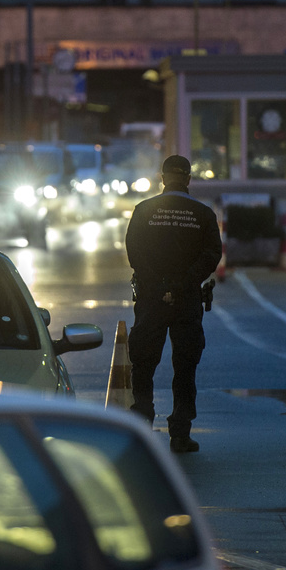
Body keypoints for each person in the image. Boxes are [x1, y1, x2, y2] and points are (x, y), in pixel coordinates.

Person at [124, 154, 222, 454]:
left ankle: (141, 429)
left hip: (151, 298)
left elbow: (134, 253)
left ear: (162, 177)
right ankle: (180, 434)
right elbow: (212, 255)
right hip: (187, 299)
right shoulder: (203, 214)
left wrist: (158, 285)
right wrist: (183, 284)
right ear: (189, 179)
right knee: (185, 366)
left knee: (143, 364)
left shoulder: (144, 211)